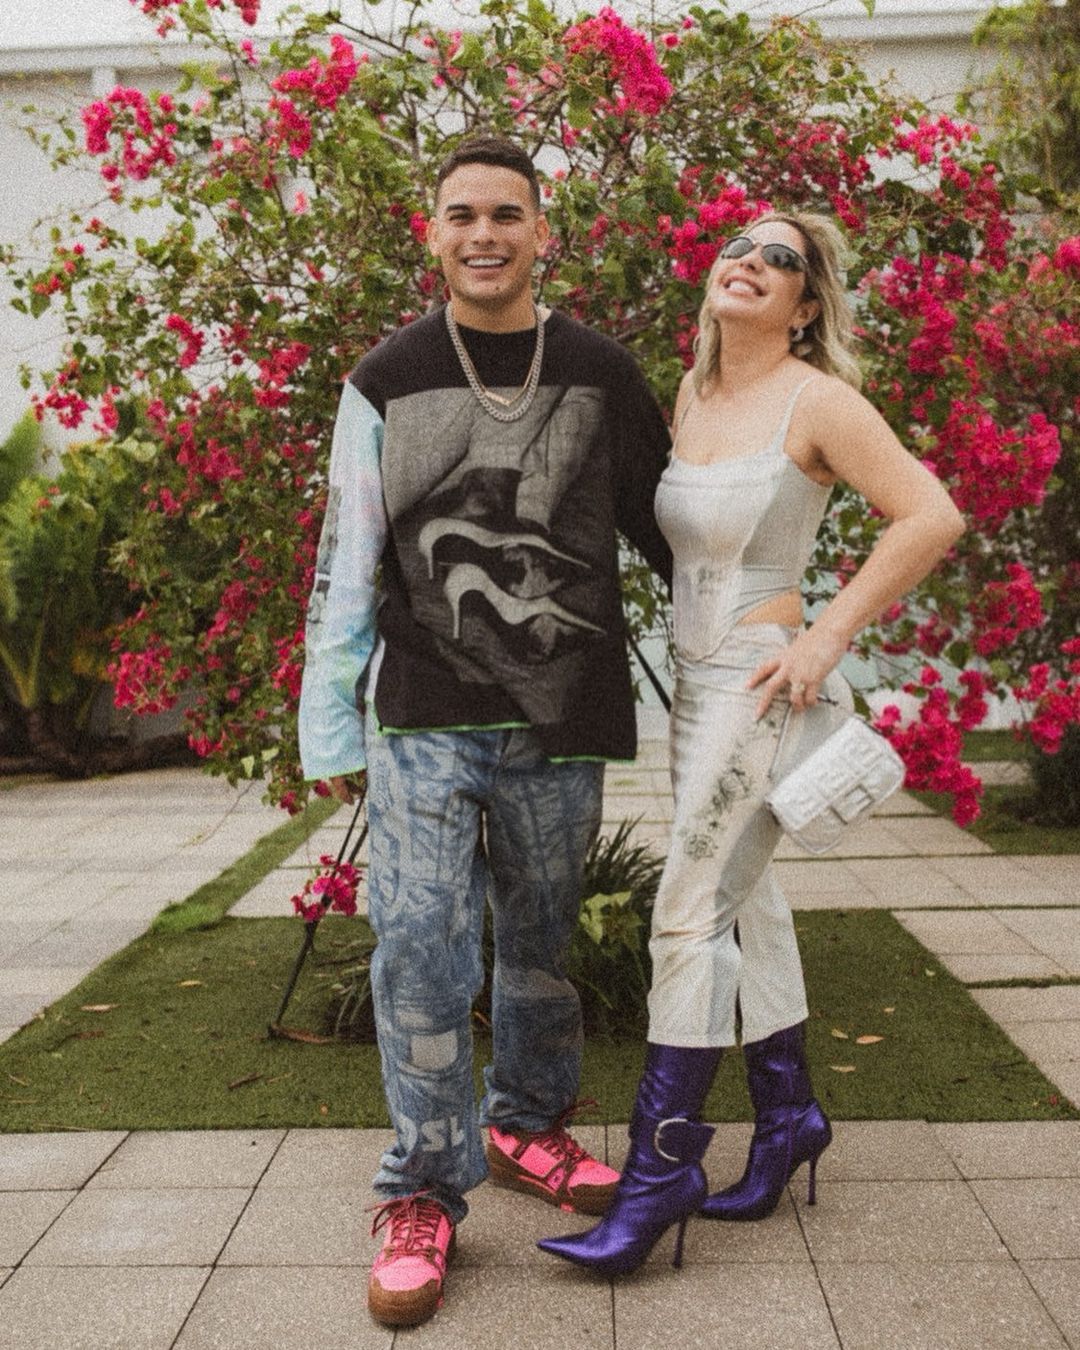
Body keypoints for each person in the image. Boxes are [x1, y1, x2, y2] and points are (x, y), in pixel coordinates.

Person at [538, 211, 965, 1276]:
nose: (752, 262)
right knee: (746, 901)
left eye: (782, 259)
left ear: (806, 306)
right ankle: (787, 1117)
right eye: (740, 246)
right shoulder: (696, 393)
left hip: (763, 683)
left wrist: (827, 636)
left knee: (686, 915)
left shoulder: (819, 401)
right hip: (696, 688)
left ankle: (658, 1176)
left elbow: (930, 515)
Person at [297, 135, 675, 1326]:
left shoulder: (602, 373)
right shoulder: (388, 377)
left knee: (541, 946)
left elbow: (673, 530)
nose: (484, 234)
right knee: (419, 945)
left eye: (507, 214)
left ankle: (528, 1127)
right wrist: (331, 727)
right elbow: (348, 554)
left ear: (542, 232)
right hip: (424, 715)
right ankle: (420, 1188)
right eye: (462, 214)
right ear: (433, 233)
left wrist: (765, 643)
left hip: (563, 717)